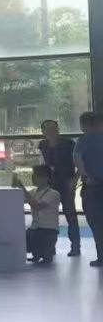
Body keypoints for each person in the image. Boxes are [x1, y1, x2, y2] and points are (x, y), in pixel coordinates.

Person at [38, 119, 79, 256]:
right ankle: (49, 247)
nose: (51, 131)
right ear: (43, 132)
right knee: (49, 216)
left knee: (70, 215)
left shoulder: (69, 144)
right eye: (48, 129)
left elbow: (78, 162)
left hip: (66, 182)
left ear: (58, 129)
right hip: (50, 184)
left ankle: (75, 246)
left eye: (53, 128)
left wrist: (74, 180)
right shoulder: (43, 145)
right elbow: (42, 165)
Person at [13, 165, 60, 265]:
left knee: (45, 255)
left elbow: (37, 206)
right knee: (21, 240)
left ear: (46, 178)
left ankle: (46, 252)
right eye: (33, 175)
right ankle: (37, 253)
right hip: (34, 228)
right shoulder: (33, 192)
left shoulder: (54, 194)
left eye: (37, 176)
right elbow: (17, 199)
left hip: (48, 230)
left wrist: (23, 188)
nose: (33, 178)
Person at [75, 111, 103, 266]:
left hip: (92, 187)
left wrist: (85, 176)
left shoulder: (84, 140)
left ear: (86, 124)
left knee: (96, 223)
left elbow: (77, 159)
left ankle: (102, 257)